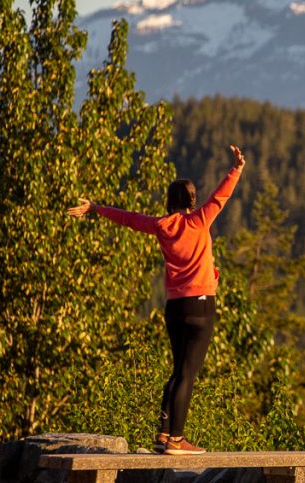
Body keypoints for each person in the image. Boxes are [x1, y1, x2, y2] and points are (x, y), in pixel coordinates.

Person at [68, 144, 246, 455]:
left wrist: (96, 208)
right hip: (201, 305)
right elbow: (221, 196)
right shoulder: (199, 220)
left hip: (175, 308)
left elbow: (128, 218)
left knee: (177, 372)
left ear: (169, 201)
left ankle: (164, 435)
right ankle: (177, 439)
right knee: (187, 375)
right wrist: (237, 168)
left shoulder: (160, 226)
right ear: (191, 200)